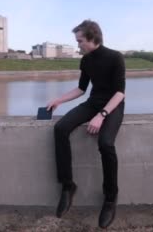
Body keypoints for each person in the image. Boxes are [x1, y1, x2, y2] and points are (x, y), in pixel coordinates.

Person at [46, 19, 126, 229]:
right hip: (93, 103)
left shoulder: (115, 57)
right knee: (60, 128)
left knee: (106, 143)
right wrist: (58, 100)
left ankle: (110, 198)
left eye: (80, 40)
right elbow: (81, 89)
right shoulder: (86, 61)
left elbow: (119, 93)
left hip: (113, 106)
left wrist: (102, 114)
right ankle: (67, 186)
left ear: (92, 38)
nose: (78, 44)